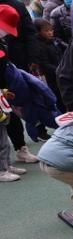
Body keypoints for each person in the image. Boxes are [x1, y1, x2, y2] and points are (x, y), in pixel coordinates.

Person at [0, 0, 41, 164]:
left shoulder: (15, 6)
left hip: (12, 65)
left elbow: (30, 33)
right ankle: (4, 165)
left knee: (11, 109)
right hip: (6, 68)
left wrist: (32, 57)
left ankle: (19, 148)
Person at [0, 9, 24, 183]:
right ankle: (1, 169)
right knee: (0, 136)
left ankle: (5, 165)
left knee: (3, 132)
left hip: (1, 94)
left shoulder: (1, 43)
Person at [31, 18, 66, 113]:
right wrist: (61, 70)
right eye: (46, 31)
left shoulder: (55, 41)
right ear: (38, 32)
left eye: (51, 30)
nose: (50, 33)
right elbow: (45, 64)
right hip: (52, 78)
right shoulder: (39, 46)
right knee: (59, 99)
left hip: (61, 74)